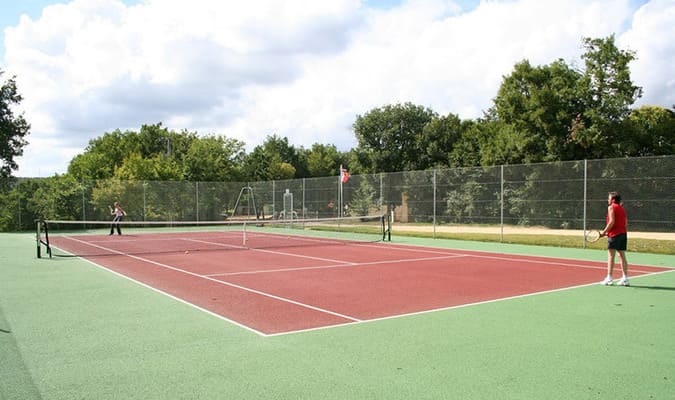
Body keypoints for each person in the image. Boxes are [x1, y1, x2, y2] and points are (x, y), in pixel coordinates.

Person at [599, 192, 629, 286]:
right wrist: (609, 232)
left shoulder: (611, 207)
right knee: (622, 256)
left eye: (609, 198)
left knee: (611, 256)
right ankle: (625, 278)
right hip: (623, 234)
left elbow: (611, 221)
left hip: (615, 235)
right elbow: (625, 223)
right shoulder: (622, 208)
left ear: (613, 199)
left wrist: (603, 232)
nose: (608, 200)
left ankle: (609, 278)